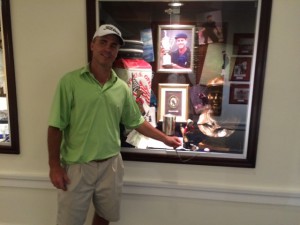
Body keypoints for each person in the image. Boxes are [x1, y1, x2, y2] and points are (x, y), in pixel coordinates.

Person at [47, 24, 181, 225]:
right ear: (92, 45)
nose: (107, 49)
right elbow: (55, 127)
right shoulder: (70, 82)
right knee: (69, 221)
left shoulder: (121, 88)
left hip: (111, 165)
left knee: (105, 216)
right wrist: (54, 166)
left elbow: (136, 121)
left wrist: (166, 139)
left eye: (113, 45)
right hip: (77, 166)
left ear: (117, 51)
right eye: (103, 42)